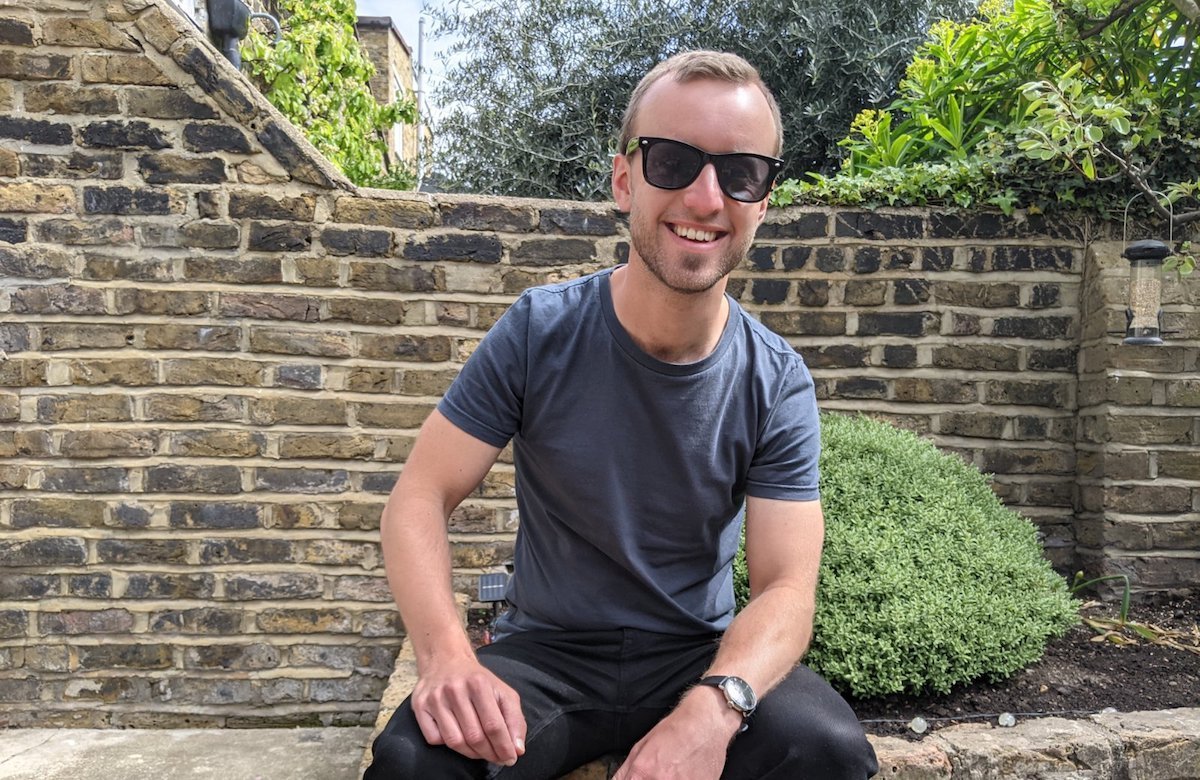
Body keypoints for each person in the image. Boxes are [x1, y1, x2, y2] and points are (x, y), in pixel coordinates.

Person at [365, 50, 879, 780]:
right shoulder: (539, 332)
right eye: (672, 161)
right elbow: (419, 497)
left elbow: (788, 589)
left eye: (741, 172)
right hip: (546, 654)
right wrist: (446, 655)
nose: (705, 198)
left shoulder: (775, 380)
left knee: (824, 751)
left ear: (763, 201)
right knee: (416, 763)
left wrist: (714, 708)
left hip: (693, 656)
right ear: (623, 180)